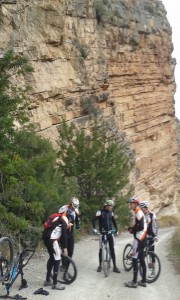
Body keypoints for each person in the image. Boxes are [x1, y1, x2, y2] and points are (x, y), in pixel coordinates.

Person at [92, 199, 120, 273]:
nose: (111, 207)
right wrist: (94, 228)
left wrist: (117, 230)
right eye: (110, 206)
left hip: (110, 233)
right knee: (101, 249)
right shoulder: (100, 212)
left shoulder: (111, 213)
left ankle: (115, 266)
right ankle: (100, 266)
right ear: (106, 206)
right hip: (102, 233)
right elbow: (93, 220)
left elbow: (114, 221)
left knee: (112, 249)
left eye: (112, 206)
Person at [124, 196, 147, 288]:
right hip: (142, 239)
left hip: (139, 239)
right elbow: (139, 225)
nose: (130, 205)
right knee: (141, 260)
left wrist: (132, 230)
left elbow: (140, 226)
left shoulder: (138, 212)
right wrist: (132, 229)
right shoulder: (138, 212)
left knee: (134, 259)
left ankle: (134, 282)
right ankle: (144, 281)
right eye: (130, 204)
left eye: (131, 204)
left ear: (136, 204)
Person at [42, 213, 69, 290]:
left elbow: (57, 232)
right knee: (57, 259)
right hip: (52, 239)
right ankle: (55, 283)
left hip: (46, 237)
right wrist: (65, 248)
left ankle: (47, 280)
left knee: (52, 258)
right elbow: (64, 235)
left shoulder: (56, 217)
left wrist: (60, 247)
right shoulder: (64, 219)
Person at [59, 197, 80, 266]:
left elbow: (77, 219)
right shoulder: (64, 208)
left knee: (70, 252)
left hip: (70, 233)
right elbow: (57, 216)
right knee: (64, 250)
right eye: (74, 206)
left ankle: (66, 271)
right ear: (71, 203)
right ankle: (63, 265)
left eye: (76, 206)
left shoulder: (76, 211)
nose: (75, 208)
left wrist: (77, 224)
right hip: (63, 233)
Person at [140, 201, 159, 275]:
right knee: (141, 251)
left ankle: (153, 270)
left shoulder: (152, 215)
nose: (141, 210)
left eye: (142, 208)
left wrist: (156, 236)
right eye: (141, 208)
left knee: (152, 253)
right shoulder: (141, 215)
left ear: (145, 208)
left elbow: (155, 226)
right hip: (143, 236)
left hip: (151, 236)